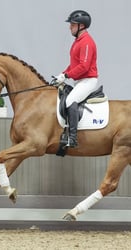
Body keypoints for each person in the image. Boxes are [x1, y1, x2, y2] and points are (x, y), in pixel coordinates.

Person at [54, 10, 100, 148]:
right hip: (80, 80)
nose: (70, 27)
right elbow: (74, 64)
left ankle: (73, 138)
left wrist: (67, 76)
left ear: (81, 26)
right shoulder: (77, 41)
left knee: (70, 101)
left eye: (73, 24)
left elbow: (84, 66)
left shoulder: (86, 42)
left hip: (88, 80)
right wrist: (62, 74)